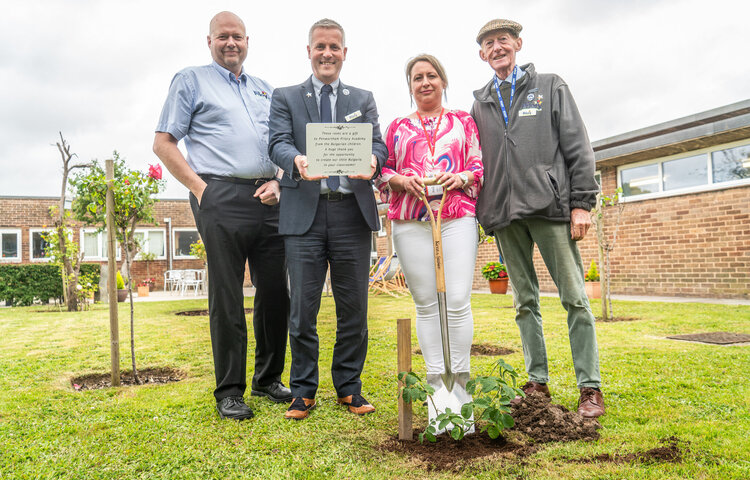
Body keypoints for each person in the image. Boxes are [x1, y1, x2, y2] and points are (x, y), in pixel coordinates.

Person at [153, 11, 291, 420]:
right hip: (220, 194)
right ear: (209, 41)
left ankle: (268, 379)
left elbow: (283, 143)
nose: (231, 43)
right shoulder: (191, 80)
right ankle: (230, 390)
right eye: (222, 37)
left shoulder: (266, 89)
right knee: (227, 296)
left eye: (238, 37)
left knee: (275, 293)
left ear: (248, 41)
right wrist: (201, 190)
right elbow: (163, 143)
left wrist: (281, 181)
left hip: (270, 196)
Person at [471, 19, 605, 418]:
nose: (497, 48)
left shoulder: (549, 86)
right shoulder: (479, 103)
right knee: (523, 301)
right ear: (482, 54)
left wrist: (582, 202)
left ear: (517, 44)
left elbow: (577, 145)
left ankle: (590, 388)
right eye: (489, 44)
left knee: (575, 298)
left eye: (503, 41)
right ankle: (537, 383)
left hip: (550, 207)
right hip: (504, 214)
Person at [268, 18, 388, 420]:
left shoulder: (363, 98)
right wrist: (297, 161)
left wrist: (374, 160)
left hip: (351, 213)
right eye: (320, 46)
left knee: (353, 308)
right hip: (304, 213)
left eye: (334, 47)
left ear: (344, 53)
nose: (327, 54)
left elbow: (378, 144)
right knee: (303, 309)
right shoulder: (285, 96)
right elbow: (278, 142)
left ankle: (348, 387)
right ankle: (303, 389)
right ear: (309, 51)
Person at [376, 54, 483, 426]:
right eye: (417, 77)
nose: (425, 82)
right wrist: (399, 180)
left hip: (455, 217)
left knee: (455, 300)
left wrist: (465, 177)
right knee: (426, 303)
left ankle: (461, 383)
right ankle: (436, 382)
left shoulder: (463, 121)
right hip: (410, 219)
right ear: (410, 85)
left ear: (443, 81)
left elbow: (477, 164)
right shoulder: (397, 126)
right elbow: (383, 169)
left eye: (431, 75)